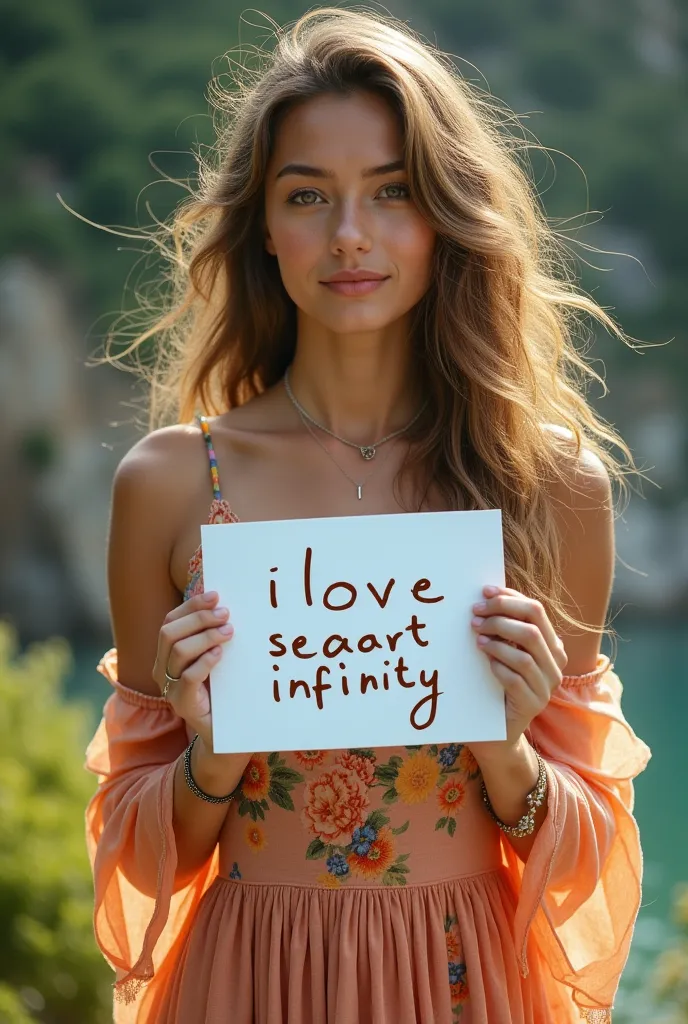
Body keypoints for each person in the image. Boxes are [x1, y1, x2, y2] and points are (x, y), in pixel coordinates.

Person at [84, 8, 652, 1023]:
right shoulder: (170, 483)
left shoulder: (549, 485)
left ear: (445, 213)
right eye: (309, 196)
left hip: (464, 981)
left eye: (391, 192)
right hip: (250, 982)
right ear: (264, 224)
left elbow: (591, 850)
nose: (350, 235)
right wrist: (209, 755)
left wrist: (505, 741)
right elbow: (135, 850)